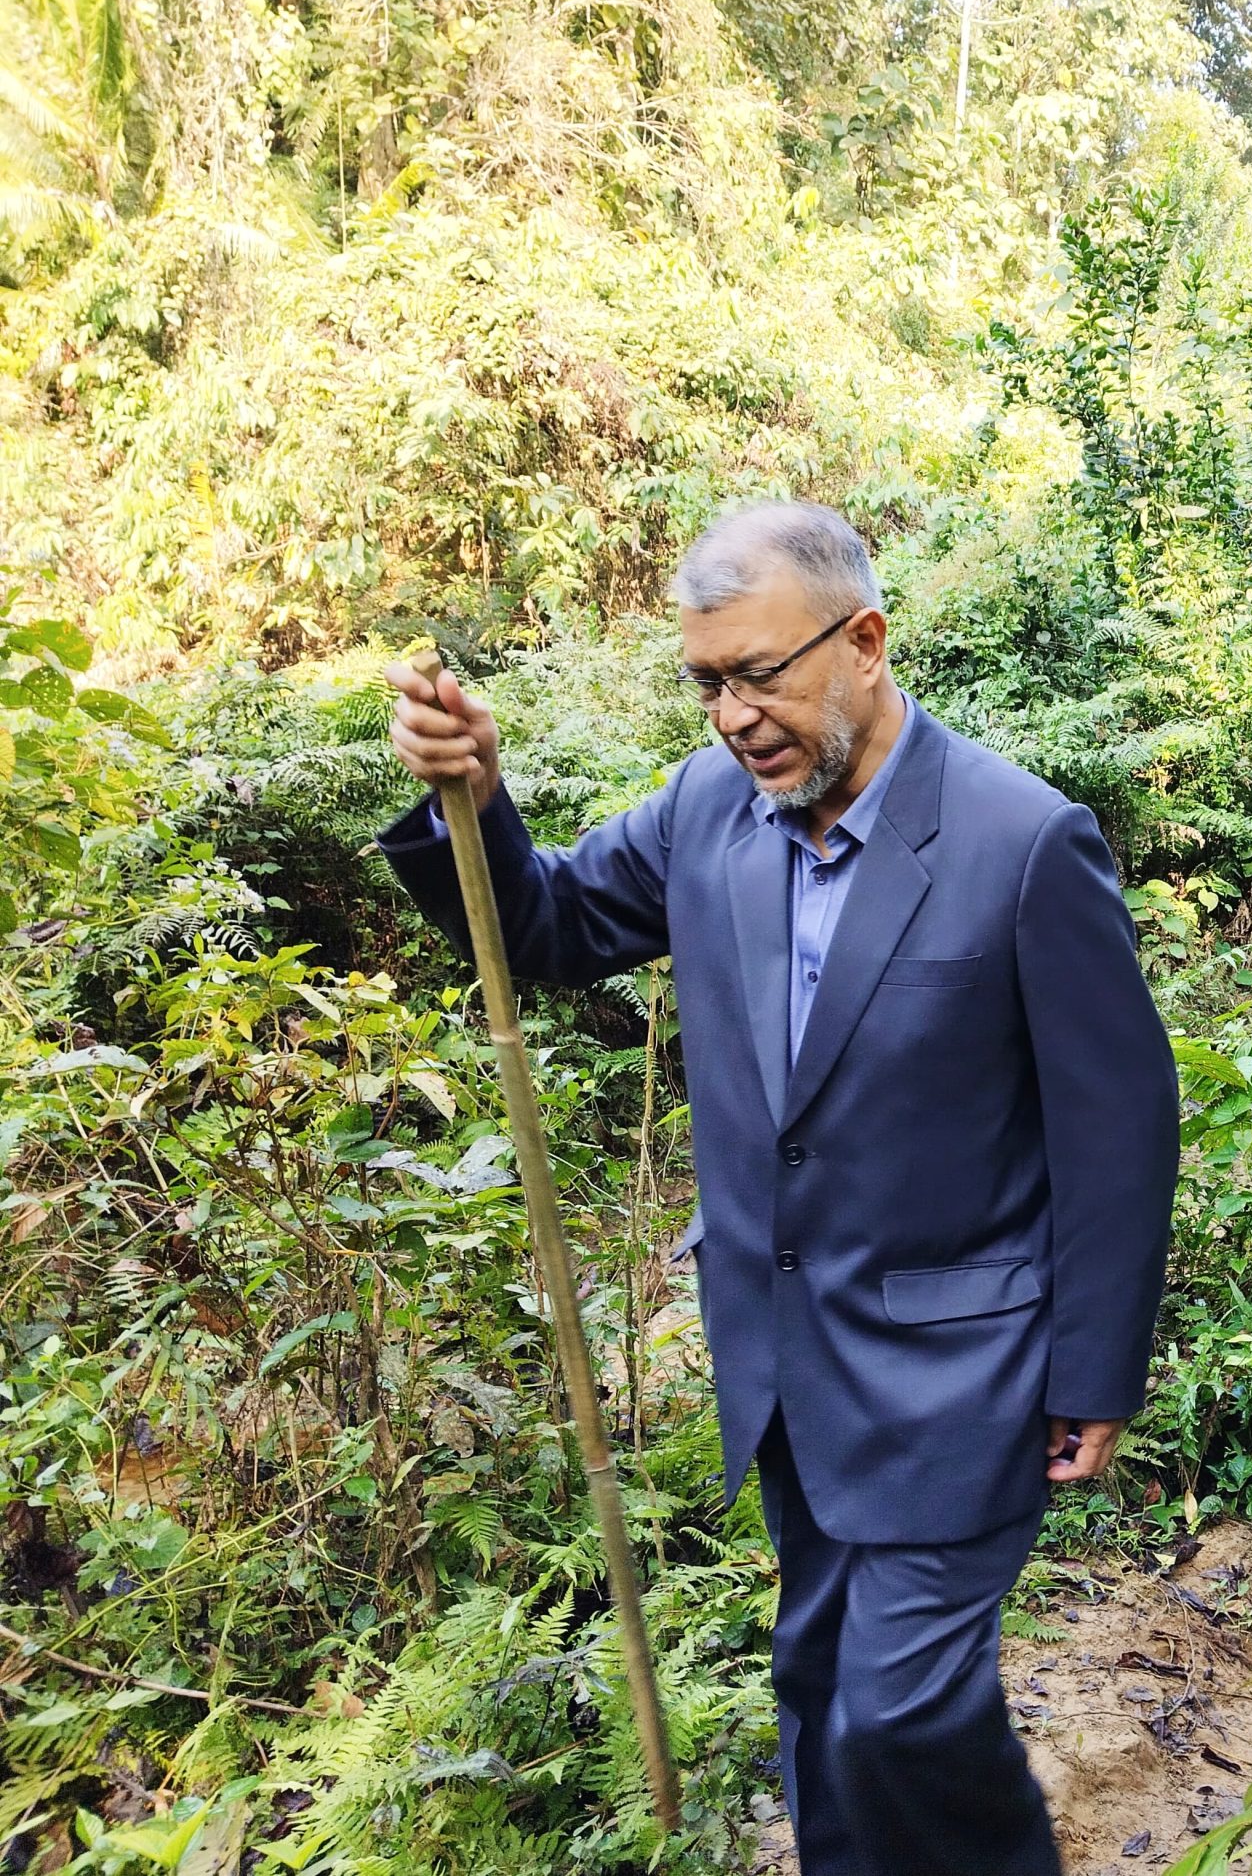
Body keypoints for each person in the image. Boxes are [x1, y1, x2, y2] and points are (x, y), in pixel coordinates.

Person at [380, 502, 1178, 1876]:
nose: (736, 716)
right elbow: (551, 929)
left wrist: (1094, 1368)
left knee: (903, 1710)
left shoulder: (1021, 841)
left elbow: (1120, 1122)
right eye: (708, 683)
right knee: (817, 1684)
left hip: (960, 1367)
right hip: (783, 1359)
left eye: (762, 673)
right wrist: (477, 799)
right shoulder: (707, 814)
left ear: (863, 642)